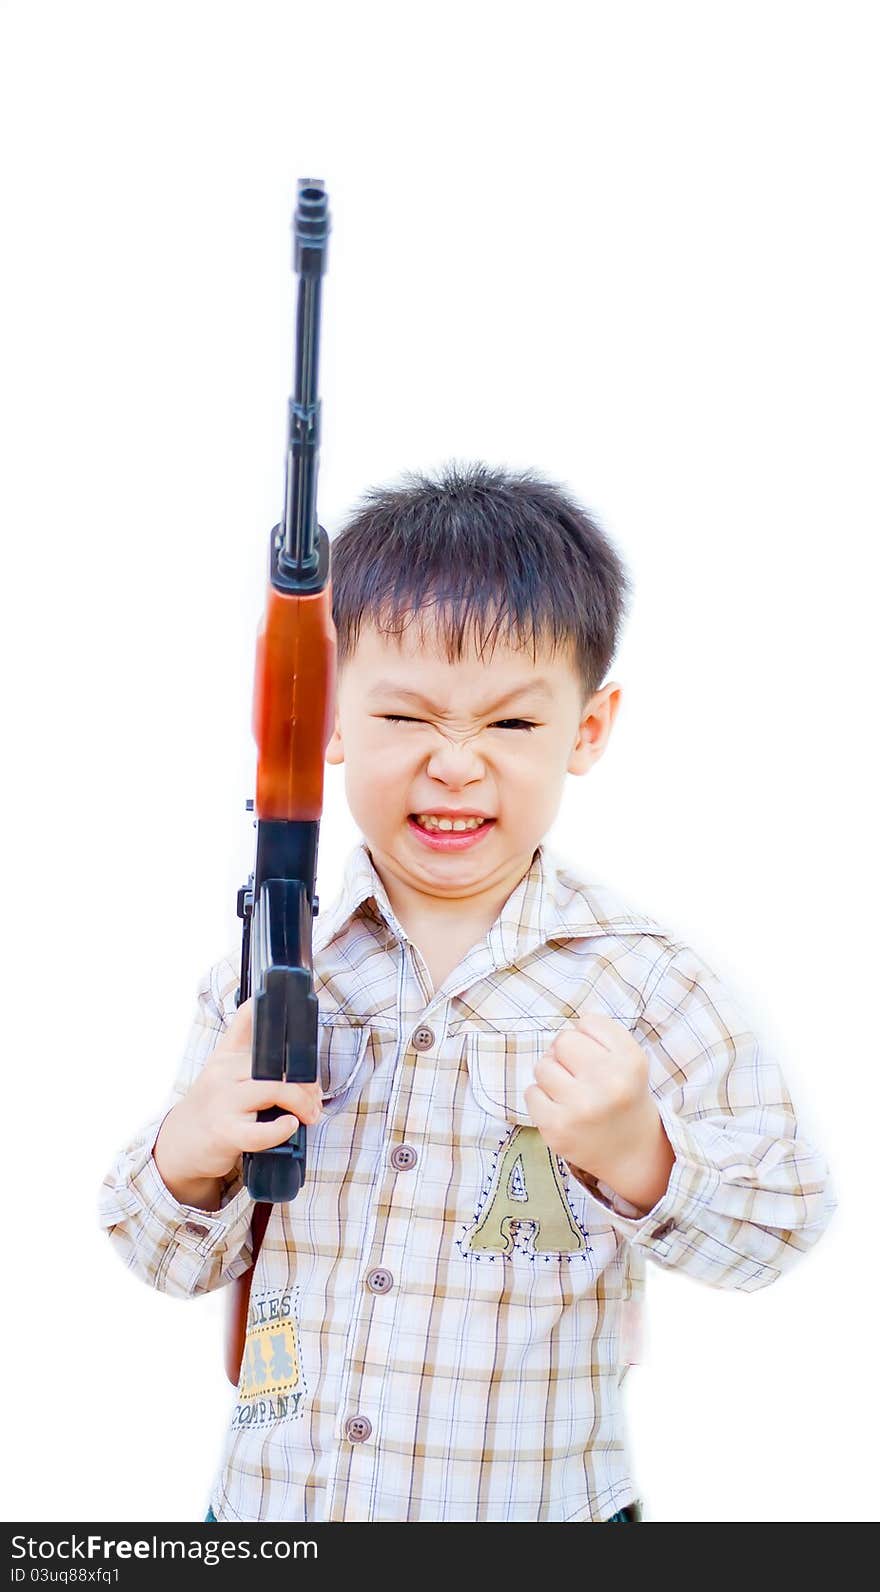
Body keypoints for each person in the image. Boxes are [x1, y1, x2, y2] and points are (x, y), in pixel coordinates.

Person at [98, 461, 836, 1524]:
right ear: (325, 719)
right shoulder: (271, 967)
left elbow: (784, 1220)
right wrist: (195, 1142)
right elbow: (159, 1255)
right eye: (403, 715)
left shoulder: (646, 976)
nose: (454, 764)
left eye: (510, 725)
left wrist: (642, 1154)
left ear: (587, 729)